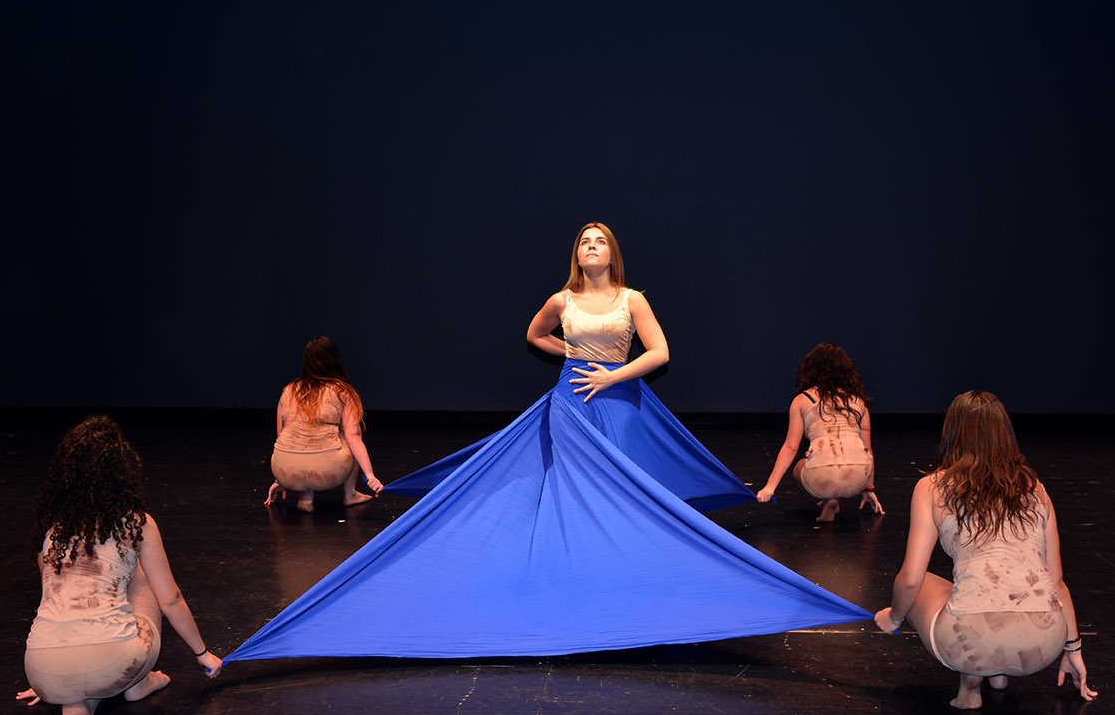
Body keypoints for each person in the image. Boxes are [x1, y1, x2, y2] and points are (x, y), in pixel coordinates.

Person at [223, 223, 869, 664]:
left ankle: (622, 566)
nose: (591, 245)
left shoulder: (631, 298)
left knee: (628, 493)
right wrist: (566, 352)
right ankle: (569, 569)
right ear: (577, 254)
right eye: (583, 240)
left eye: (599, 239)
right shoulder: (561, 298)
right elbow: (532, 335)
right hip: (570, 403)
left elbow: (664, 351)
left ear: (611, 252)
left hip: (615, 403)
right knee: (565, 487)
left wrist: (613, 371)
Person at [873, 391, 1097, 709]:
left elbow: (910, 580)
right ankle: (998, 675)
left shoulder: (932, 488)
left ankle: (971, 684)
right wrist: (1072, 649)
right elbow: (1056, 582)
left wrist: (893, 618)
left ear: (952, 433)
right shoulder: (1037, 490)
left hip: (968, 645)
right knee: (979, 587)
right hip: (1042, 647)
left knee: (931, 584)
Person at [16, 416, 222, 715]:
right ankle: (137, 682)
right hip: (116, 660)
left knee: (67, 605)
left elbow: (48, 601)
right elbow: (171, 600)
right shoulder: (136, 524)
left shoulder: (52, 531)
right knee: (140, 574)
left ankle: (73, 701)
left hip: (42, 667)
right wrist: (202, 653)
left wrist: (47, 676)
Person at [755, 342, 884, 521]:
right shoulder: (858, 402)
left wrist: (770, 487)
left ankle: (829, 497)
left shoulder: (802, 401)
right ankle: (833, 498)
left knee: (800, 466)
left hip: (821, 476)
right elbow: (868, 450)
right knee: (852, 457)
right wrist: (869, 489)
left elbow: (790, 448)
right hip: (859, 477)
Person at [265, 336, 383, 513]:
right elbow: (354, 438)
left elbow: (282, 437)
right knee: (347, 434)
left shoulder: (288, 390)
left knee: (298, 434)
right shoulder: (342, 392)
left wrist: (280, 479)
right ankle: (350, 494)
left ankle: (305, 496)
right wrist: (370, 475)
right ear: (335, 360)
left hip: (284, 471)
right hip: (327, 472)